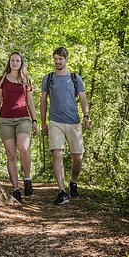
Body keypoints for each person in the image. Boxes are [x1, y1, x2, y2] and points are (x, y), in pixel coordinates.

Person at [40, 46, 90, 205]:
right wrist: (43, 122)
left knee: (78, 156)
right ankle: (61, 191)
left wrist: (86, 116)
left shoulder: (75, 78)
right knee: (57, 154)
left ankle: (73, 182)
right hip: (55, 121)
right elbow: (43, 101)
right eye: (55, 59)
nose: (57, 61)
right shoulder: (48, 78)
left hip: (74, 122)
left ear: (66, 60)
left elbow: (83, 99)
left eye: (60, 59)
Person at [0, 51, 38, 203]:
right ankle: (16, 189)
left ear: (21, 63)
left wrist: (35, 120)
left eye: (17, 60)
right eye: (12, 60)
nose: (14, 63)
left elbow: (30, 102)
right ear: (9, 62)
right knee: (11, 155)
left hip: (23, 118)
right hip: (5, 120)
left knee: (23, 147)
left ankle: (27, 178)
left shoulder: (26, 79)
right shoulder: (2, 79)